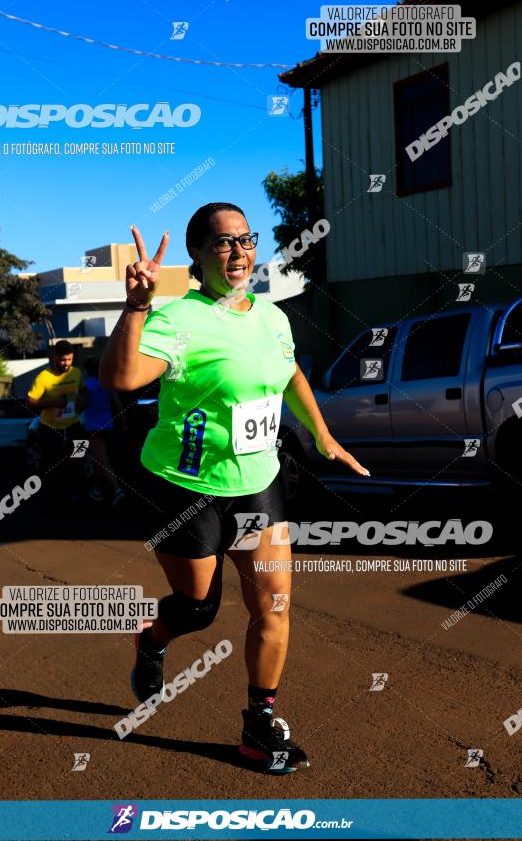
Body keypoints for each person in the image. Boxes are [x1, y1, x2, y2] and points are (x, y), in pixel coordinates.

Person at [100, 203, 370, 774]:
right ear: (198, 256)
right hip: (183, 487)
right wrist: (138, 306)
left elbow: (289, 370)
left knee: (273, 606)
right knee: (198, 609)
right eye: (223, 244)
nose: (239, 252)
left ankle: (258, 721)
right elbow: (121, 379)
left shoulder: (273, 317)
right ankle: (152, 640)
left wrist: (321, 435)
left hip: (258, 483)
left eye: (246, 240)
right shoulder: (177, 320)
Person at [27, 340, 86, 507]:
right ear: (54, 357)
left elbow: (83, 391)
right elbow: (31, 402)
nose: (66, 363)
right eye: (62, 360)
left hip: (74, 426)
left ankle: (77, 495)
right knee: (53, 466)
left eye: (69, 359)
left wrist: (83, 402)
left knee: (77, 461)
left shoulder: (76, 373)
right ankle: (55, 501)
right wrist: (51, 403)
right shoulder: (43, 378)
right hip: (50, 429)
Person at [82, 356, 125, 505]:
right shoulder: (107, 383)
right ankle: (97, 489)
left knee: (103, 461)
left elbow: (82, 404)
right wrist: (123, 423)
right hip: (108, 425)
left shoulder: (86, 385)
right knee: (100, 459)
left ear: (87, 371)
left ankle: (117, 489)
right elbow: (117, 404)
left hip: (93, 426)